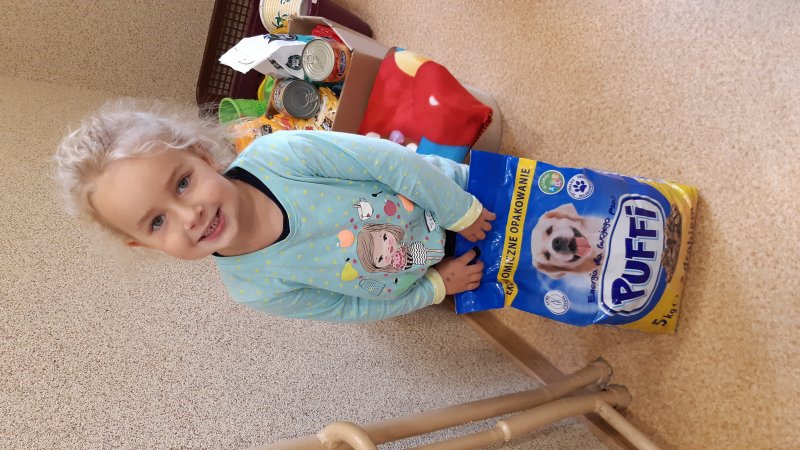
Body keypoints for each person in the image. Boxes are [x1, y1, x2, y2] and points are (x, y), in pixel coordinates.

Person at [54, 100, 496, 323]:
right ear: (143, 244)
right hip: (438, 269)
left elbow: (390, 162)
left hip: (463, 199)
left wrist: (460, 210)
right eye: (157, 222)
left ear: (203, 156)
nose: (189, 216)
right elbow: (347, 308)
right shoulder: (253, 289)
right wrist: (434, 288)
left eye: (183, 183)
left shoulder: (281, 155)